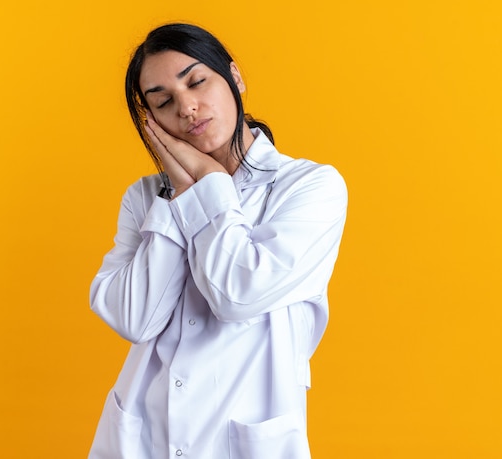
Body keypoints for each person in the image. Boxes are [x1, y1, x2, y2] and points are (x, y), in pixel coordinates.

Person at [89, 23, 347, 459]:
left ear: (235, 77)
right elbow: (133, 318)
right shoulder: (145, 197)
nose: (187, 108)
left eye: (197, 81)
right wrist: (178, 193)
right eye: (164, 101)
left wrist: (208, 184)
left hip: (244, 439)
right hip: (144, 437)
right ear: (152, 121)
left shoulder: (310, 186)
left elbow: (238, 294)